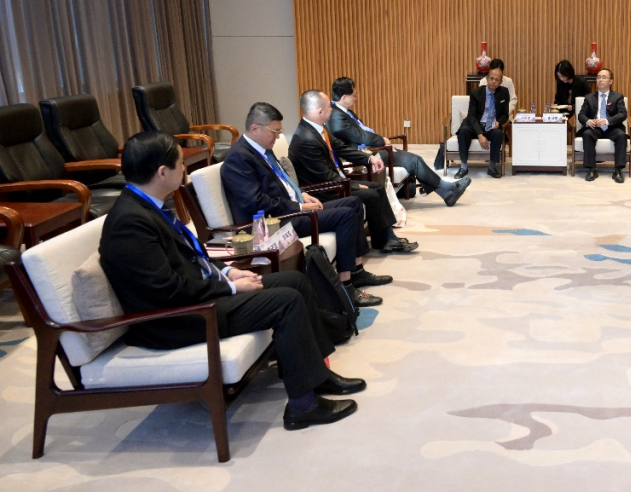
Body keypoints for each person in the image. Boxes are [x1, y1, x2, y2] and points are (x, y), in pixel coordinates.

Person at [100, 131, 366, 431]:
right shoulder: (130, 223)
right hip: (175, 319)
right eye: (180, 163)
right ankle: (303, 407)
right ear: (162, 172)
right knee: (286, 301)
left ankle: (317, 374)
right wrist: (230, 287)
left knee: (295, 281)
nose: (184, 168)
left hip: (193, 299)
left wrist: (228, 272)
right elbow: (166, 290)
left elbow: (191, 257)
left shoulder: (148, 206)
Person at [221, 102, 389, 302]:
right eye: (275, 132)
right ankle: (346, 287)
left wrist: (301, 193)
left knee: (353, 203)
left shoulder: (262, 148)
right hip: (276, 222)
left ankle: (357, 271)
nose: (278, 137)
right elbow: (256, 203)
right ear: (255, 128)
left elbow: (281, 181)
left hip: (291, 208)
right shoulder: (238, 158)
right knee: (345, 215)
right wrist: (299, 206)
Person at [289, 90, 418, 254]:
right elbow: (325, 176)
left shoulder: (318, 129)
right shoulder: (306, 139)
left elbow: (341, 148)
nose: (332, 109)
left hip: (335, 181)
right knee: (370, 194)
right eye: (329, 107)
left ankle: (386, 239)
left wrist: (369, 158)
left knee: (377, 187)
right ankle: (386, 240)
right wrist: (353, 186)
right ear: (319, 112)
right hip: (324, 190)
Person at [327, 77, 470, 206]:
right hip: (363, 154)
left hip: (371, 148)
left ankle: (447, 194)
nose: (356, 98)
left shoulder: (345, 111)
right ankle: (449, 188)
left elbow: (362, 133)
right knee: (414, 161)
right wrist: (381, 141)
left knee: (413, 161)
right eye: (354, 95)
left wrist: (381, 142)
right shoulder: (336, 116)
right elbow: (360, 136)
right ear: (344, 97)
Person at [456, 66, 511, 179]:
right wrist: (480, 135)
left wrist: (499, 122)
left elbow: (505, 114)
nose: (493, 81)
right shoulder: (476, 93)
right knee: (463, 131)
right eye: (492, 78)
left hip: (491, 125)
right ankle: (463, 167)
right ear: (487, 79)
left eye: (497, 80)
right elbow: (471, 116)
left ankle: (492, 167)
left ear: (501, 82)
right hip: (476, 124)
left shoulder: (504, 93)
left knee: (498, 133)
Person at [578, 68, 628, 183]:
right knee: (587, 134)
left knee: (621, 135)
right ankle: (591, 169)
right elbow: (581, 115)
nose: (600, 80)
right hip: (595, 128)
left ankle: (618, 170)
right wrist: (588, 121)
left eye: (604, 77)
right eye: (599, 77)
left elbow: (622, 114)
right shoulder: (589, 97)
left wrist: (607, 121)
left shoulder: (617, 97)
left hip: (612, 127)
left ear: (611, 81)